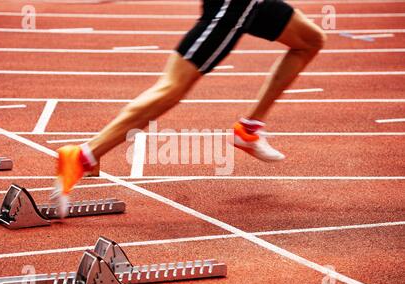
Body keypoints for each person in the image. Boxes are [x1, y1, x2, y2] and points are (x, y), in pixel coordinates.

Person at [53, 0, 326, 214]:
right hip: (234, 5)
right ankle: (81, 157)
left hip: (252, 4)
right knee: (173, 86)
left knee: (310, 40)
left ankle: (249, 130)